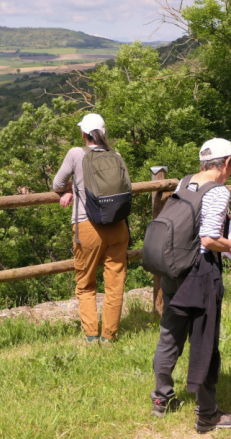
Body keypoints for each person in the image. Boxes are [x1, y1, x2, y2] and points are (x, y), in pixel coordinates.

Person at [149, 138, 231, 433]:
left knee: (170, 334)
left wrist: (223, 221)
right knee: (204, 340)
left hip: (174, 270)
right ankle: (207, 413)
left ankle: (161, 399)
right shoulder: (218, 190)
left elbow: (191, 223)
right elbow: (208, 239)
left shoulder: (186, 182)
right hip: (200, 272)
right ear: (226, 163)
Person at [53, 113, 129, 343]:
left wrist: (70, 190)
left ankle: (91, 335)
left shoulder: (76, 153)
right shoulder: (116, 155)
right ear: (103, 133)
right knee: (115, 284)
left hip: (88, 227)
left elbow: (57, 184)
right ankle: (109, 336)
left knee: (86, 284)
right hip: (118, 226)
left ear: (84, 134)